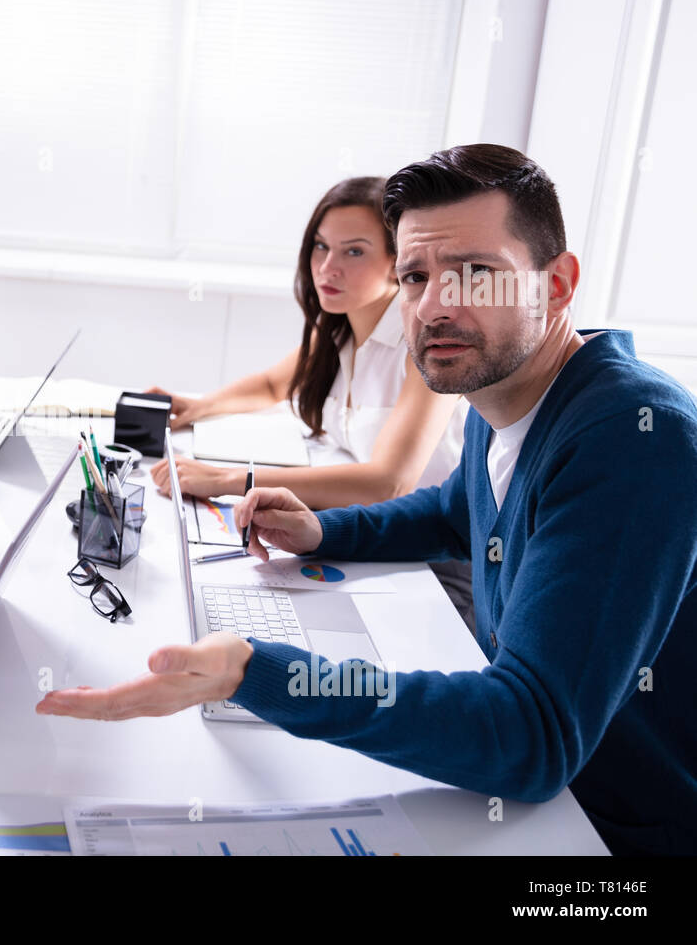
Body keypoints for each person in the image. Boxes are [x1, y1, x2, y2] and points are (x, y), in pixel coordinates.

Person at [37, 144, 697, 856]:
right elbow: (452, 512)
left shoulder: (634, 438)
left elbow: (531, 737)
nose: (438, 306)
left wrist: (256, 672)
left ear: (557, 285)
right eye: (416, 275)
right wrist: (322, 532)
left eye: (476, 274)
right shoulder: (510, 384)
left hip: (608, 835)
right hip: (533, 809)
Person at [149, 176, 466, 509]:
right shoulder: (339, 328)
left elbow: (388, 484)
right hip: (370, 524)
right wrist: (197, 407)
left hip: (434, 549)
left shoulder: (429, 343)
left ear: (397, 263)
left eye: (354, 251)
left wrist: (225, 480)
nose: (327, 268)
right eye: (321, 246)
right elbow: (273, 385)